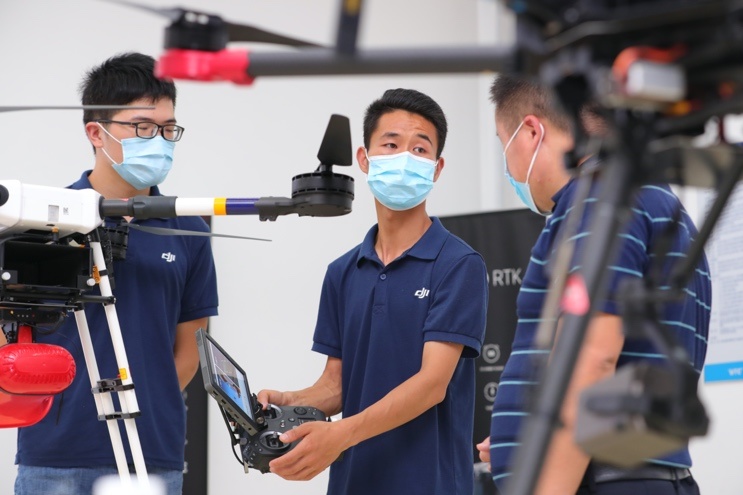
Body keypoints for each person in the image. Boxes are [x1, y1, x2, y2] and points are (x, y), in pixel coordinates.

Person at [477, 74, 710, 495]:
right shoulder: (650, 202)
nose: (509, 165)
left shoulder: (598, 201)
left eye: (502, 142)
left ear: (531, 131)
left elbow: (592, 357)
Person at [257, 88, 489, 494]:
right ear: (364, 159)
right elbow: (338, 384)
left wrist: (341, 434)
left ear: (436, 168)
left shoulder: (458, 265)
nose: (404, 158)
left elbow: (432, 384)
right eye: (391, 144)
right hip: (354, 481)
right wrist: (286, 401)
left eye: (420, 149)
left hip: (430, 483)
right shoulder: (343, 272)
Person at [13, 52, 219, 495]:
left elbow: (191, 348)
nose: (159, 140)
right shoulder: (40, 222)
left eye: (167, 129)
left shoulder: (190, 230)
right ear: (96, 132)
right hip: (56, 451)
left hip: (153, 452)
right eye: (142, 127)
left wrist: (146, 398)